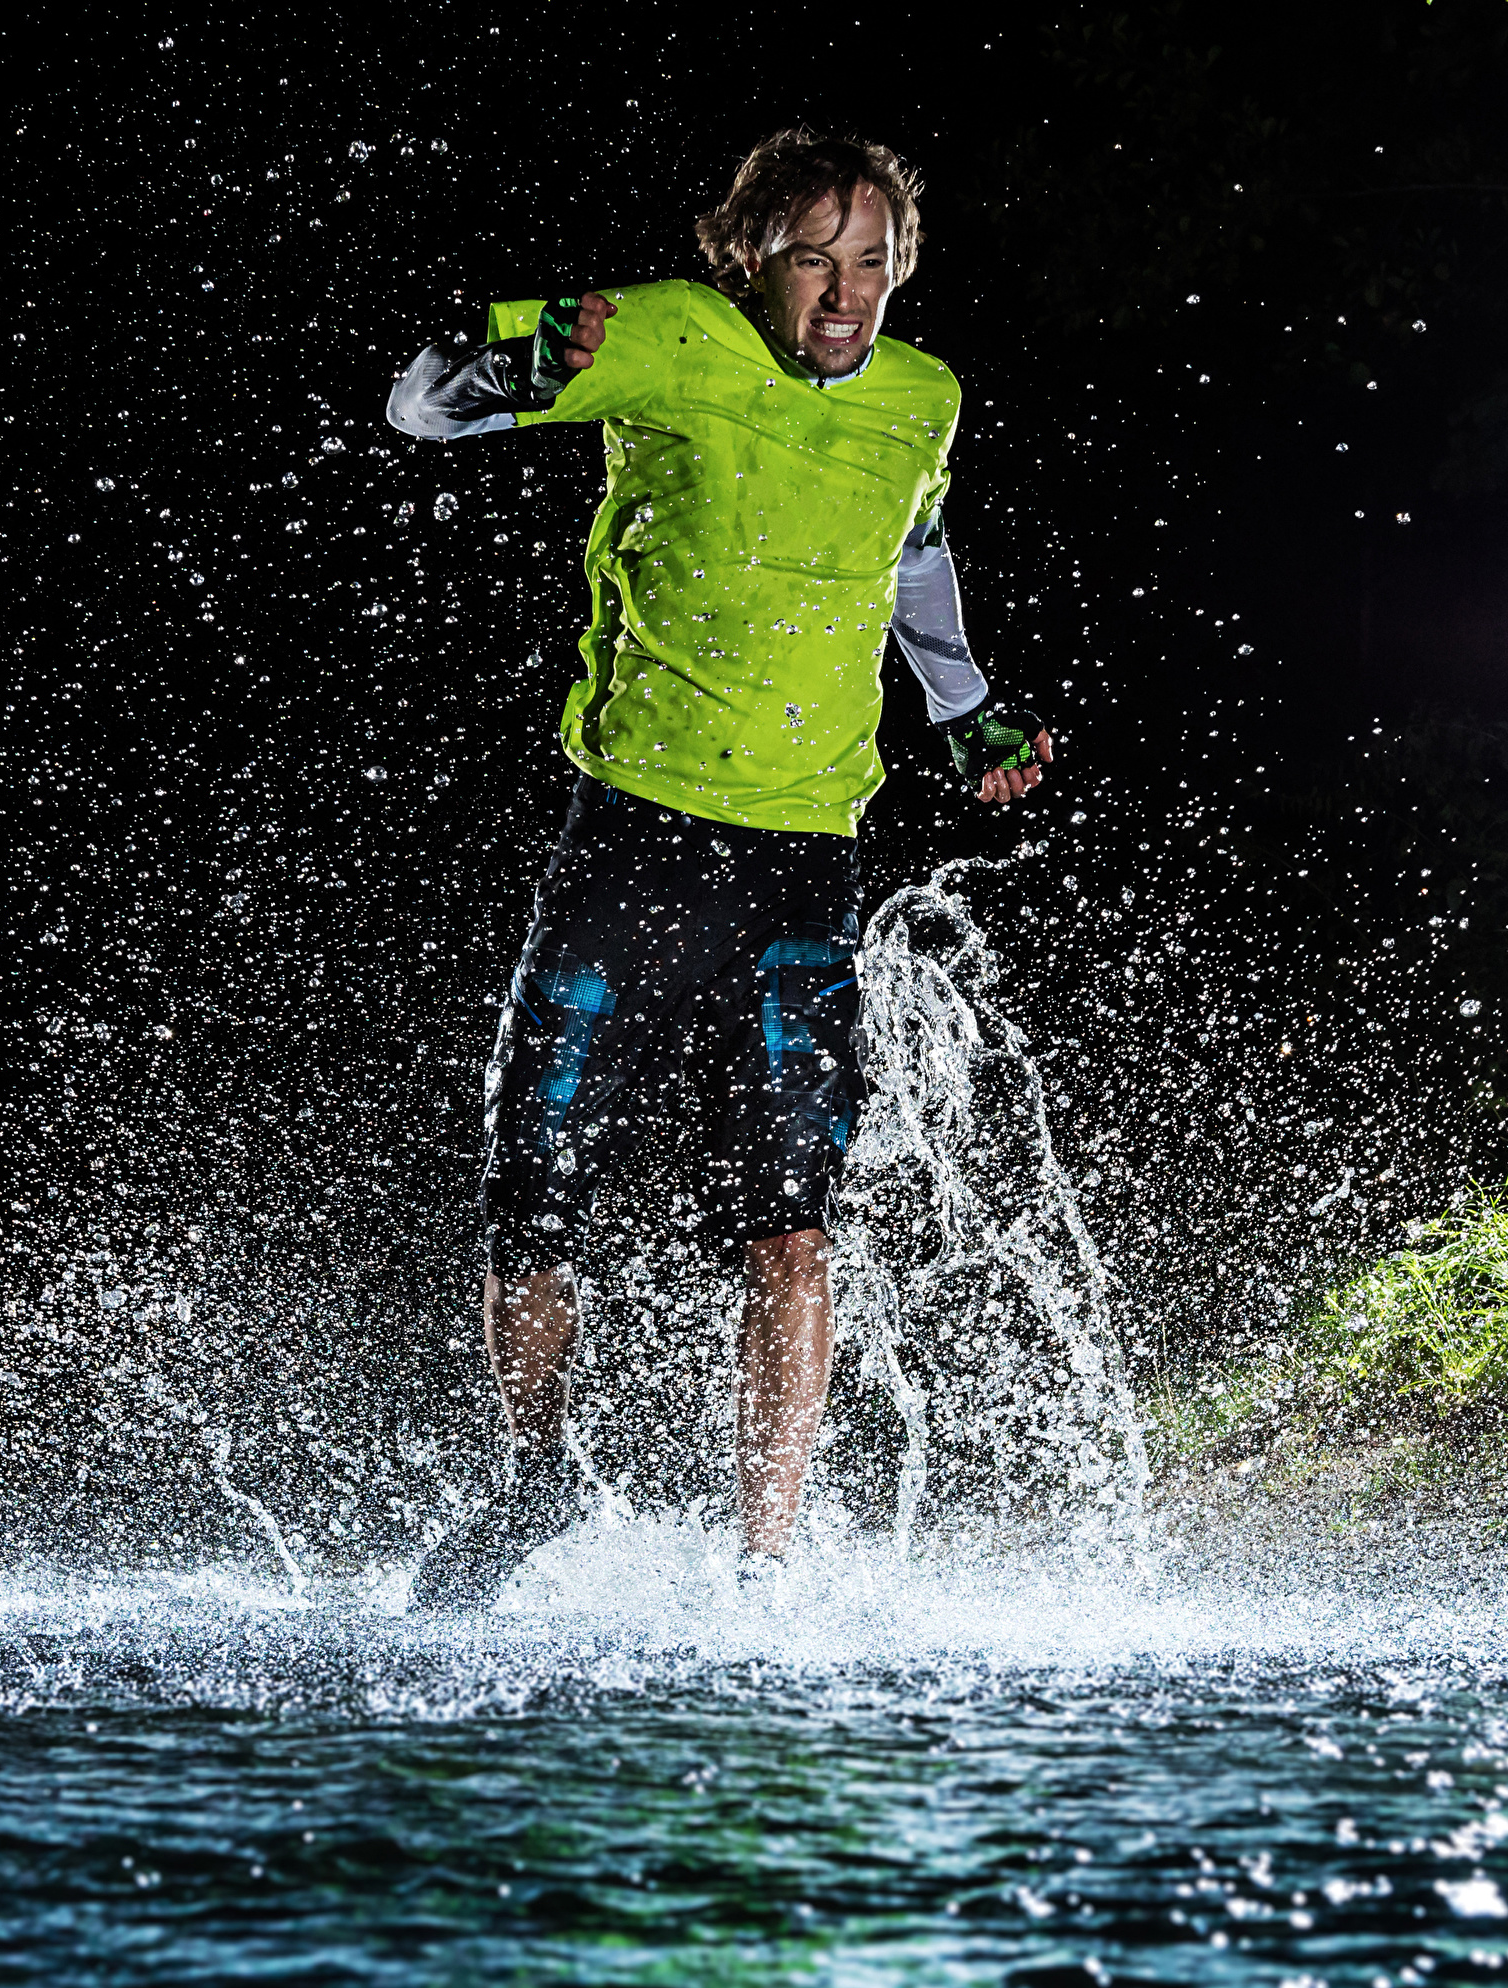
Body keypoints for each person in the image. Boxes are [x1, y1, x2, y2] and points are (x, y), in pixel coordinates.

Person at [385, 130, 1052, 1607]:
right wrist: (510, 359)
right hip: (627, 842)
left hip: (798, 871)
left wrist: (964, 707)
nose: (845, 292)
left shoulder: (923, 399)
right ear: (747, 257)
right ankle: (536, 1476)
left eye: (872, 260)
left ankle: (765, 1568)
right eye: (815, 257)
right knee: (533, 1190)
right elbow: (420, 406)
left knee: (795, 1223)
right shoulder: (671, 338)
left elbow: (916, 552)